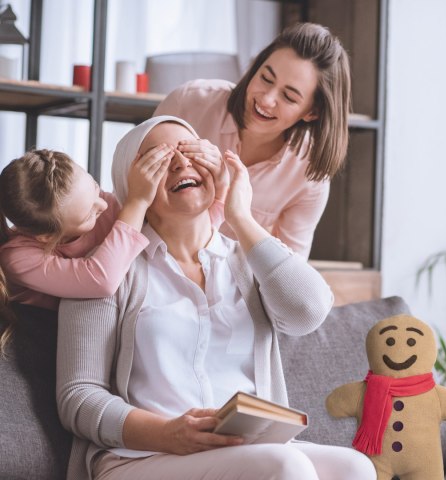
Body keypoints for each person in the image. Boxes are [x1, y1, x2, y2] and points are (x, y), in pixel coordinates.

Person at [56, 116, 375, 480]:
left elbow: (309, 311)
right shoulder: (103, 271)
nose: (180, 163)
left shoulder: (247, 260)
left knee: (355, 468)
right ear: (132, 184)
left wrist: (239, 215)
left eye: (192, 152)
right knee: (286, 465)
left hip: (246, 450)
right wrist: (166, 433)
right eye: (159, 159)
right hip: (141, 457)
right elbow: (78, 396)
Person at [153, 22, 351, 259]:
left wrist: (241, 218)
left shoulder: (308, 175)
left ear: (312, 112)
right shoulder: (189, 103)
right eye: (266, 78)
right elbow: (131, 188)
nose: (266, 99)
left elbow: (291, 270)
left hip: (233, 288)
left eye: (288, 96)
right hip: (154, 261)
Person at [0, 134, 227, 315]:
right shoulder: (17, 258)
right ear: (46, 237)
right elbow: (101, 280)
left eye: (96, 188)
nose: (104, 205)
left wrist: (221, 191)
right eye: (89, 214)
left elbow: (172, 237)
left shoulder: (109, 206)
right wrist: (136, 201)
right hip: (37, 335)